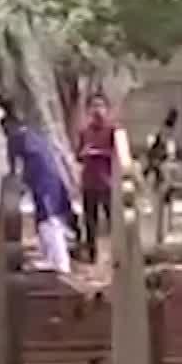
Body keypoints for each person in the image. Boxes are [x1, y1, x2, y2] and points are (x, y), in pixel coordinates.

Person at [3, 110, 76, 273]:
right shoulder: (35, 136)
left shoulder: (17, 138)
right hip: (49, 178)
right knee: (48, 219)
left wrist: (15, 183)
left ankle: (60, 262)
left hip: (43, 181)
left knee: (49, 220)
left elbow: (14, 166)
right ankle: (51, 258)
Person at [74, 94, 118, 263]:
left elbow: (117, 155)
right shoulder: (85, 132)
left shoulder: (112, 131)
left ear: (107, 109)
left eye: (100, 106)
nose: (97, 110)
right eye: (94, 106)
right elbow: (78, 155)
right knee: (90, 221)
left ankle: (116, 256)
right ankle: (92, 255)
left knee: (112, 221)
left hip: (107, 182)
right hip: (89, 182)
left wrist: (99, 153)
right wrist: (84, 153)